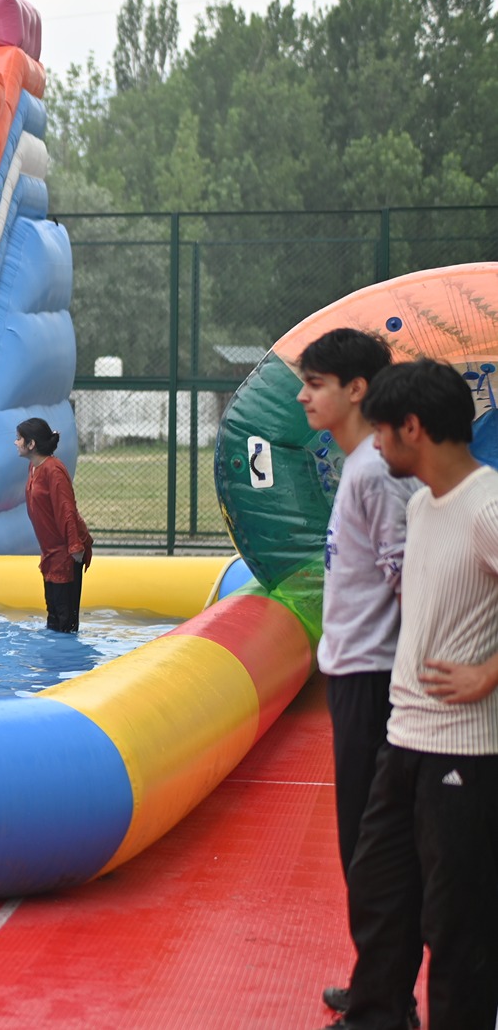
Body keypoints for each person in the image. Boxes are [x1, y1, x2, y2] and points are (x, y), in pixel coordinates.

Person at [328, 360, 498, 1030]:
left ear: (413, 427)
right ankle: (375, 1017)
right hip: (404, 740)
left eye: (381, 432)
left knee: (456, 922)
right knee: (379, 893)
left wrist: (487, 673)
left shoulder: (487, 508)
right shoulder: (424, 505)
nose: (374, 445)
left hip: (466, 752)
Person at [295, 329, 421, 1025]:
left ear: (357, 389)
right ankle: (379, 982)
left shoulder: (377, 471)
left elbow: (411, 582)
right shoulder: (360, 467)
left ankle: (384, 1002)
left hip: (376, 678)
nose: (302, 396)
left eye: (315, 384)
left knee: (375, 850)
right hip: (354, 675)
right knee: (363, 847)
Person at [17, 417, 93, 633]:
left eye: (19, 438)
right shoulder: (34, 467)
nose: (16, 442)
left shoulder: (53, 470)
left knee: (65, 618)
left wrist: (75, 546)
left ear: (31, 444)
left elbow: (66, 509)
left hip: (66, 551)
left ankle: (67, 653)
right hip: (50, 552)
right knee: (53, 615)